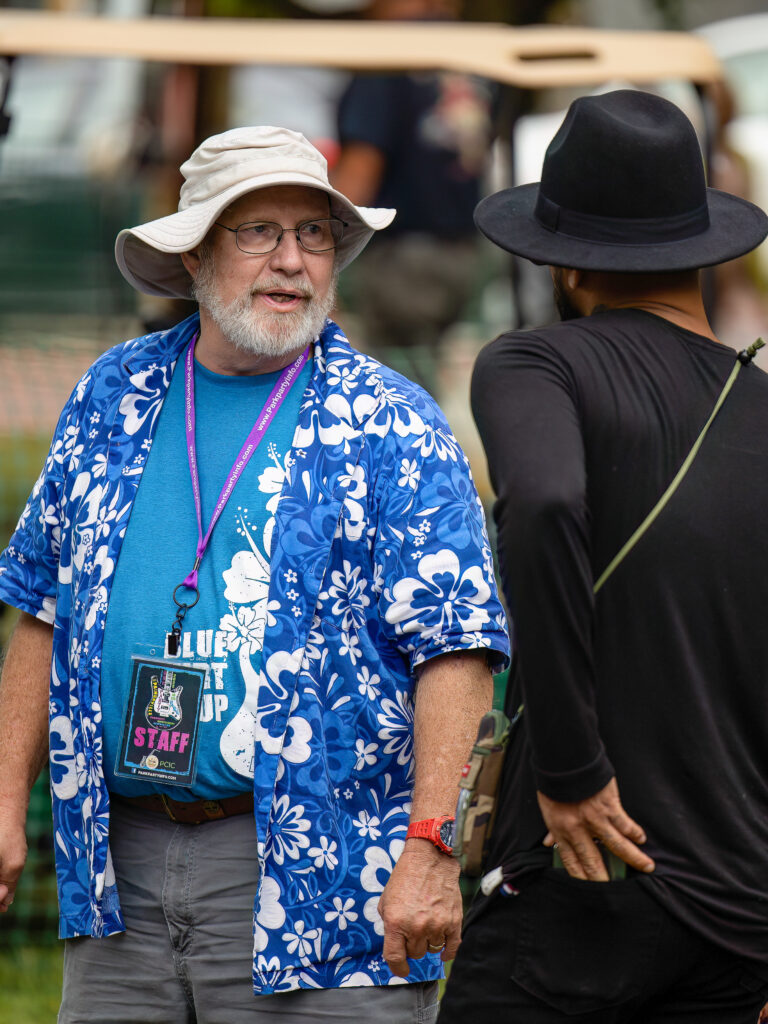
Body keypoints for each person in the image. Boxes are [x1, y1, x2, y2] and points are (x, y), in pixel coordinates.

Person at [0, 125, 509, 1023]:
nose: (292, 261)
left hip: (331, 883)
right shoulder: (114, 395)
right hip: (117, 872)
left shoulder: (391, 422)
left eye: (314, 234)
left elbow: (457, 650)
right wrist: (5, 799)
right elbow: (42, 608)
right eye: (258, 232)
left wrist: (432, 848)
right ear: (194, 253)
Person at [438, 90, 768, 1024]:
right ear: (701, 247)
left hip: (578, 871)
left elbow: (544, 504)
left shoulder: (535, 365)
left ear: (563, 259)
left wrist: (573, 772)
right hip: (739, 911)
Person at [332, 0, 495, 389]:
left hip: (402, 260)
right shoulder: (474, 58)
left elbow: (361, 168)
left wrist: (319, 247)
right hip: (468, 252)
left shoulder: (391, 54)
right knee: (435, 377)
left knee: (396, 387)